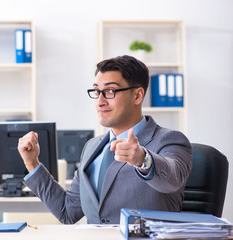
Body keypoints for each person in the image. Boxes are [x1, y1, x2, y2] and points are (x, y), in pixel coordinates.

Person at [17, 55, 192, 224]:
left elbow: (172, 180)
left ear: (137, 96)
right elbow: (67, 212)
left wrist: (143, 159)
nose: (100, 101)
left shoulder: (169, 140)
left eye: (110, 91)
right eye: (96, 91)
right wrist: (33, 164)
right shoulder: (92, 147)